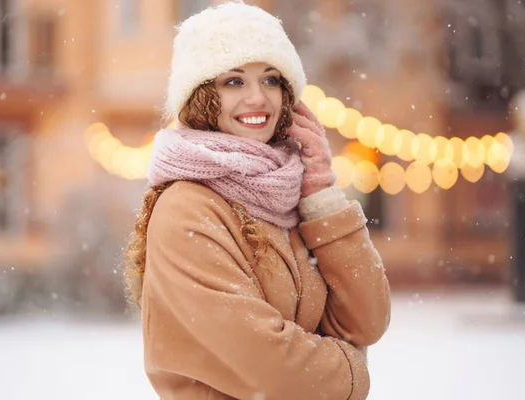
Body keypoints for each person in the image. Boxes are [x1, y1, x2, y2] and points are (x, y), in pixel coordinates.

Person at [124, 3, 391, 399]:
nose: (257, 98)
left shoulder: (286, 196)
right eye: (233, 82)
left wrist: (320, 193)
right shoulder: (186, 208)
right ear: (201, 97)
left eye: (270, 80)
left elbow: (366, 320)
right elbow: (268, 366)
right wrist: (352, 372)